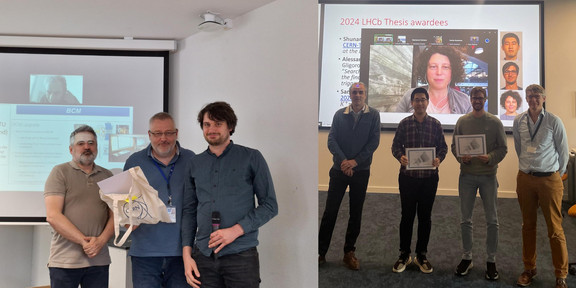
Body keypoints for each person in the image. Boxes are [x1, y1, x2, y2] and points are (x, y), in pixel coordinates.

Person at [181, 101, 278, 288]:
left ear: (230, 126)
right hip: (203, 256)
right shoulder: (194, 164)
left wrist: (235, 231)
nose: (211, 129)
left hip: (240, 256)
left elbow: (270, 206)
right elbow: (188, 211)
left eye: (218, 124)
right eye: (207, 124)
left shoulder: (251, 158)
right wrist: (187, 255)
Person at [123, 112, 195, 288]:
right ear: (149, 135)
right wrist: (127, 221)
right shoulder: (134, 161)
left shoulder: (192, 159)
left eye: (169, 133)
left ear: (176, 133)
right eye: (157, 133)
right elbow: (123, 205)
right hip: (144, 254)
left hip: (182, 253)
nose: (163, 138)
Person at [318, 82, 381, 270]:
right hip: (339, 171)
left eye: (361, 92)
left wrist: (355, 162)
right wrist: (344, 161)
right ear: (350, 94)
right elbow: (331, 141)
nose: (358, 95)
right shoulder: (339, 115)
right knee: (330, 212)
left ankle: (349, 252)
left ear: (365, 95)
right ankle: (320, 252)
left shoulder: (374, 115)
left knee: (356, 212)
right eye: (354, 92)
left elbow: (373, 143)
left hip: (361, 172)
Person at [513, 84, 569, 288]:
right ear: (526, 98)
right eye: (529, 96)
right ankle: (529, 269)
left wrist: (556, 174)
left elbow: (563, 153)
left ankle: (560, 274)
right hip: (526, 179)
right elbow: (519, 148)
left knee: (555, 228)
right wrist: (529, 167)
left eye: (537, 96)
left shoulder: (554, 121)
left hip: (549, 180)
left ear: (544, 98)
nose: (533, 99)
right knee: (527, 226)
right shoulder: (519, 120)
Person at [44, 125, 114, 287]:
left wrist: (101, 241)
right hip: (65, 262)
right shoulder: (59, 172)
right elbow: (53, 216)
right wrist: (85, 242)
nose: (87, 147)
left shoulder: (107, 176)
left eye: (91, 143)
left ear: (96, 147)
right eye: (81, 143)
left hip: (99, 261)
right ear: (71, 149)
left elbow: (115, 215)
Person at [451, 87, 507, 280]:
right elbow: (454, 146)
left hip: (488, 177)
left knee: (492, 220)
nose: (477, 100)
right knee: (465, 219)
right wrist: (461, 158)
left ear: (485, 99)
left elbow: (503, 148)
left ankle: (491, 260)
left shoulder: (495, 122)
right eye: (474, 97)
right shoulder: (462, 121)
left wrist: (490, 157)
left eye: (480, 97)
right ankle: (467, 257)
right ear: (471, 99)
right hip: (466, 176)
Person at [391, 87, 448, 274]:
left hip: (429, 179)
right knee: (406, 217)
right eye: (416, 100)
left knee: (425, 217)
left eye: (423, 99)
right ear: (412, 103)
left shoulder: (436, 124)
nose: (420, 103)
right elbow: (395, 146)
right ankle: (404, 254)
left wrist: (439, 158)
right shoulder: (404, 124)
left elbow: (443, 148)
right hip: (408, 178)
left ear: (427, 101)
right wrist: (401, 157)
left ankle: (421, 255)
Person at [396, 46, 472, 114]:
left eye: (445, 67)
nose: (439, 72)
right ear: (425, 70)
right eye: (433, 67)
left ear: (453, 71)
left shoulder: (464, 101)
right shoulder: (409, 96)